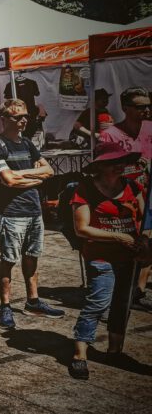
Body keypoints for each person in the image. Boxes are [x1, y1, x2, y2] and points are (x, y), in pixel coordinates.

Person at [68, 141, 148, 380]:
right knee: (98, 303)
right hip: (100, 257)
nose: (119, 166)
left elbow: (145, 220)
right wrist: (117, 236)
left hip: (129, 257)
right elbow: (82, 229)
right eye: (113, 162)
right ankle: (79, 355)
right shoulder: (85, 190)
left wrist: (143, 240)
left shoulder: (132, 187)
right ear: (100, 167)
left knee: (122, 306)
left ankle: (115, 351)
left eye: (122, 162)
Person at [0, 99, 62, 330]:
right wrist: (34, 176)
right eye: (17, 117)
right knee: (9, 259)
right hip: (11, 212)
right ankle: (5, 306)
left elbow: (49, 171)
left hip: (34, 210)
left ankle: (33, 300)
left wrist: (21, 175)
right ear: (4, 118)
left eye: (25, 116)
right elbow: (8, 180)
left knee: (32, 256)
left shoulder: (27, 143)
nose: (23, 120)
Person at [99, 87, 152, 310]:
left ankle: (138, 292)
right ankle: (120, 290)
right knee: (128, 243)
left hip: (148, 193)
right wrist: (132, 165)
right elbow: (102, 166)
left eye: (148, 106)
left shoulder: (149, 129)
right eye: (140, 107)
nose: (146, 110)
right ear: (125, 108)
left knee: (148, 241)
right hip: (125, 197)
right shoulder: (110, 134)